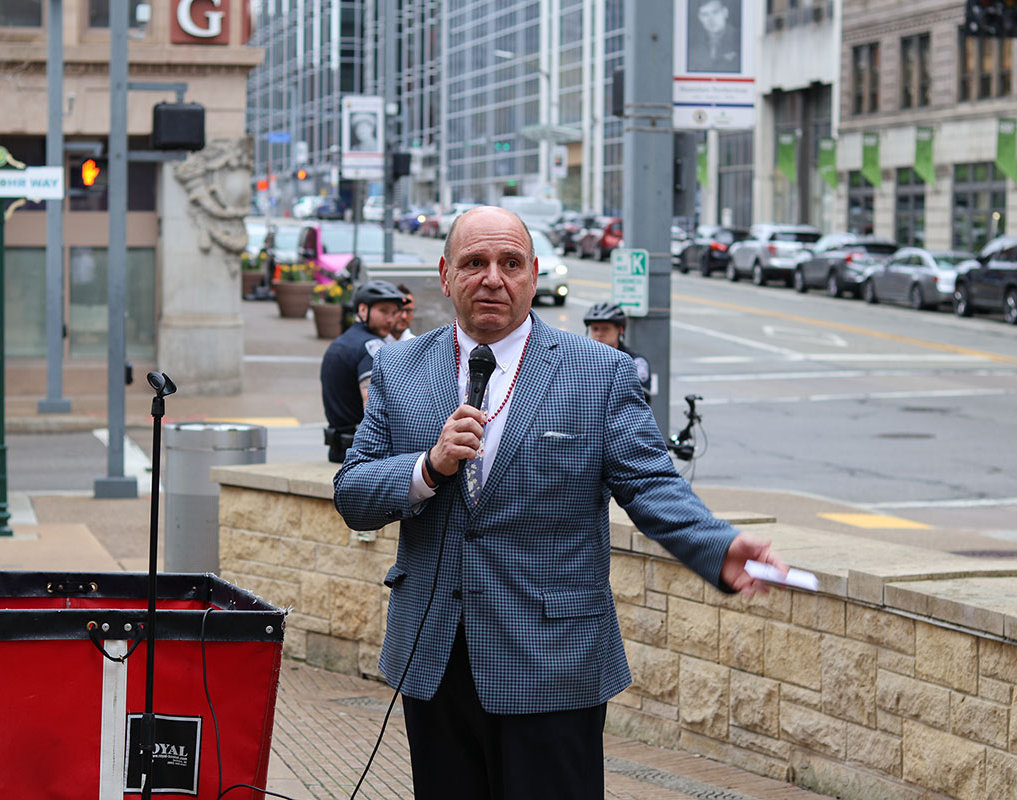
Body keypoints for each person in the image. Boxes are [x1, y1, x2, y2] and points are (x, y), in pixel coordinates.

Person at [333, 206, 786, 799]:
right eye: (474, 262)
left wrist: (717, 544)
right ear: (446, 275)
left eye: (510, 263)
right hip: (435, 659)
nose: (492, 277)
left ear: (534, 275)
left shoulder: (599, 373)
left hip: (550, 663)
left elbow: (652, 485)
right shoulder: (399, 369)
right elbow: (354, 491)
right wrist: (429, 466)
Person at [319, 280, 406, 463]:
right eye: (383, 311)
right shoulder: (372, 347)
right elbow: (372, 406)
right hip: (363, 457)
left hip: (338, 451)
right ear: (362, 310)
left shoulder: (341, 342)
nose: (391, 319)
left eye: (393, 312)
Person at [582, 301, 651, 403]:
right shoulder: (583, 361)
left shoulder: (636, 362)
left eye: (605, 329)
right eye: (595, 329)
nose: (599, 334)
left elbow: (640, 398)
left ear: (620, 330)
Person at [687, 0, 740, 73]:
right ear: (700, 18)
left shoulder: (739, 39)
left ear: (725, 13)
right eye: (705, 14)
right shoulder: (693, 44)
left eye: (715, 12)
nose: (711, 20)